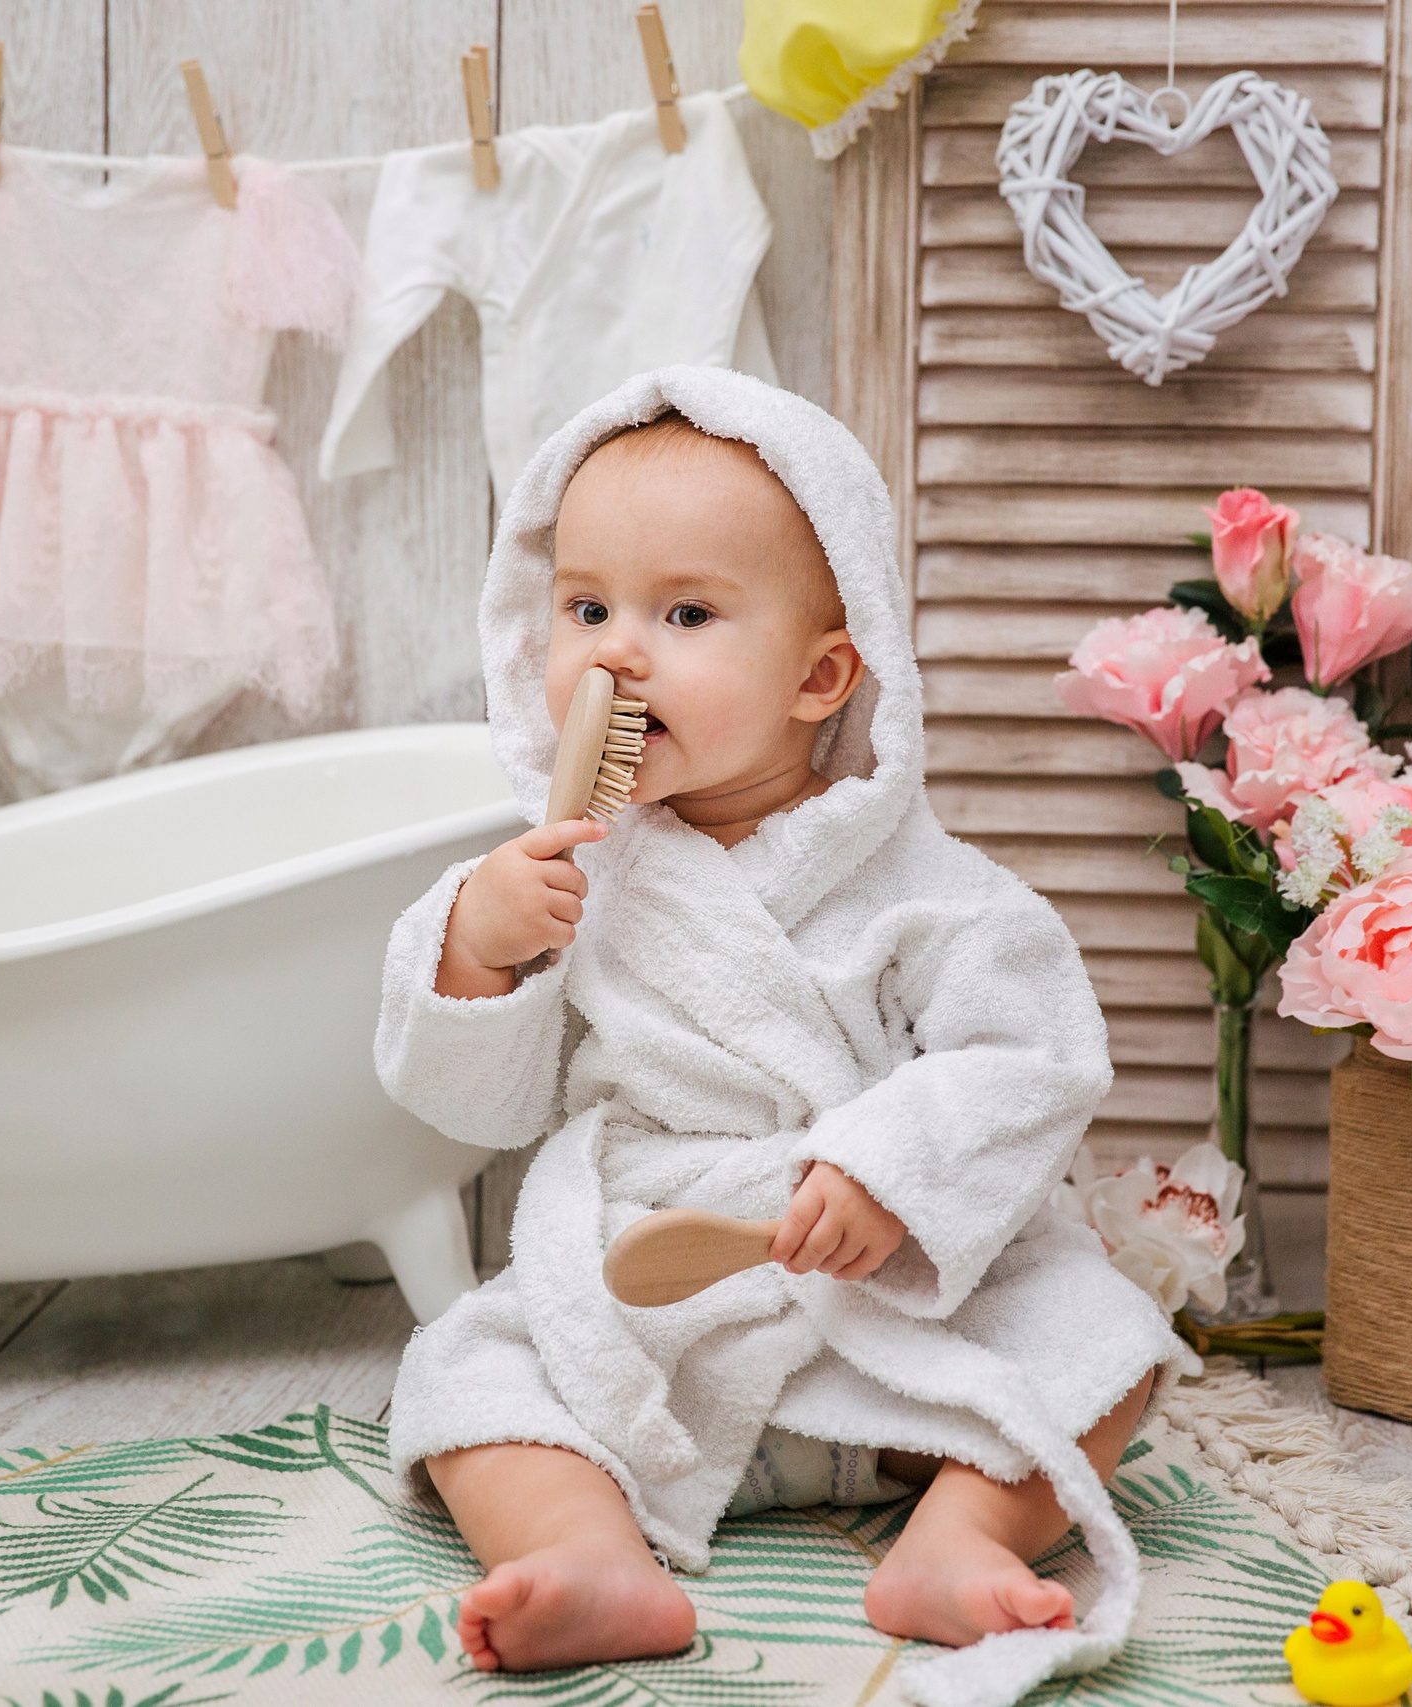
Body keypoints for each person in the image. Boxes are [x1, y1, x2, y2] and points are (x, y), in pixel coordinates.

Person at [374, 367, 1183, 1678]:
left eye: (684, 611)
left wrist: (888, 1171)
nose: (615, 651)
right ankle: (587, 1553)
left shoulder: (933, 892)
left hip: (882, 1308)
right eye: (585, 608)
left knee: (1108, 1343)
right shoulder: (564, 871)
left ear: (821, 676)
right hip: (652, 1282)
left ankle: (959, 1536)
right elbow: (479, 1109)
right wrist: (477, 947)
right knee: (467, 1368)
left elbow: (1032, 1060)